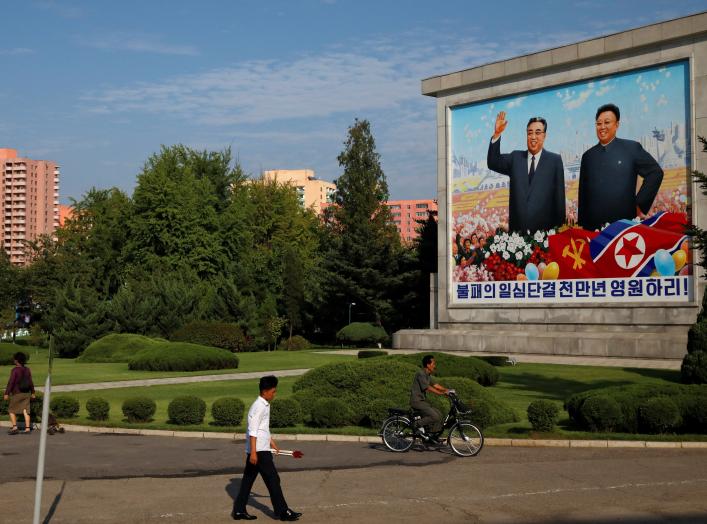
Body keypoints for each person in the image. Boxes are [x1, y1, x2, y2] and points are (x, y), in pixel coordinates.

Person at [578, 103, 664, 231]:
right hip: (592, 229)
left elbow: (655, 172)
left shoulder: (631, 148)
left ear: (617, 124)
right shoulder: (588, 156)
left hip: (624, 226)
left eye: (607, 122)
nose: (602, 127)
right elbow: (583, 194)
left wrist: (639, 204)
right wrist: (582, 225)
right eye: (598, 123)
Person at [232, 375, 301, 521]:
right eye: (273, 391)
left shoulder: (264, 404)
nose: (274, 394)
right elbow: (253, 430)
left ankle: (238, 511)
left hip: (262, 448)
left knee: (248, 480)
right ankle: (282, 512)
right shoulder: (259, 406)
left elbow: (263, 429)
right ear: (265, 391)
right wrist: (254, 453)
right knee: (273, 479)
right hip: (260, 451)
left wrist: (272, 442)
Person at [487, 113, 566, 233]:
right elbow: (493, 162)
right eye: (530, 133)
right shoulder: (515, 158)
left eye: (538, 132)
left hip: (545, 239)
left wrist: (558, 235)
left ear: (544, 136)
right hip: (518, 240)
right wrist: (497, 133)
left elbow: (559, 204)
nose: (533, 136)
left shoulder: (554, 161)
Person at [410, 355, 449, 443]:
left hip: (422, 402)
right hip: (417, 402)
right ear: (428, 365)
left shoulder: (428, 375)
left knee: (439, 414)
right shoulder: (420, 374)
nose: (434, 366)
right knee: (434, 416)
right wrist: (441, 393)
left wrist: (447, 390)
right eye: (433, 363)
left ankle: (432, 436)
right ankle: (416, 424)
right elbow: (427, 388)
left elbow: (435, 385)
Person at [3, 351, 35, 435]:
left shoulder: (15, 370)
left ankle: (15, 427)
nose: (13, 360)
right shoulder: (27, 369)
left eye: (14, 359)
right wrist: (33, 392)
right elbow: (31, 382)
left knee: (11, 410)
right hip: (26, 393)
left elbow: (11, 382)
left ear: (17, 360)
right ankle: (27, 428)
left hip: (17, 393)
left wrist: (6, 393)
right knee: (25, 410)